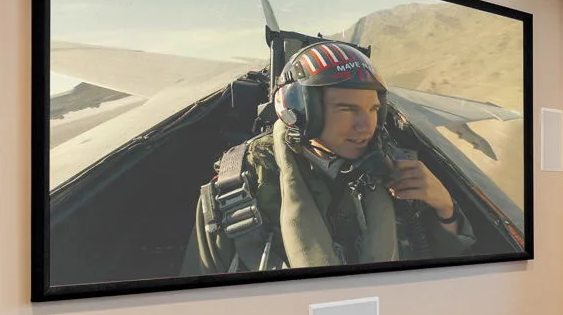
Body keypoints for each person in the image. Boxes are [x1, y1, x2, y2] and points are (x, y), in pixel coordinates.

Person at [182, 41, 475, 275]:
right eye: (347, 109)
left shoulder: (396, 168)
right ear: (300, 111)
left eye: (373, 109)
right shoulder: (238, 188)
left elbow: (442, 272)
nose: (366, 126)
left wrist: (445, 208)